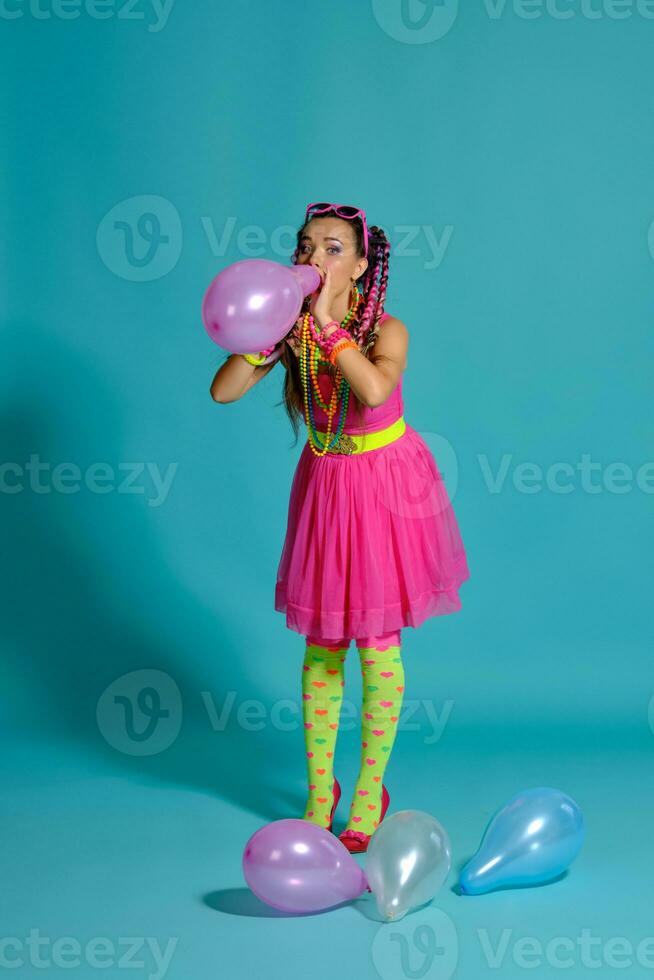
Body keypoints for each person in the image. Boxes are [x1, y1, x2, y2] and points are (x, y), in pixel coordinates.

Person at [210, 202, 470, 852]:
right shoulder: (289, 332)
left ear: (359, 263)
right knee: (323, 641)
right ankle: (318, 789)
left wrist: (328, 328)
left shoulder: (389, 330)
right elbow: (224, 390)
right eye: (305, 247)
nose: (313, 259)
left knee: (376, 641)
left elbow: (376, 391)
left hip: (385, 488)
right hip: (327, 487)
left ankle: (367, 791)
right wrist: (264, 338)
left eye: (331, 248)